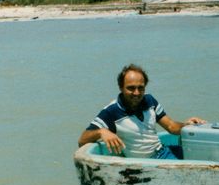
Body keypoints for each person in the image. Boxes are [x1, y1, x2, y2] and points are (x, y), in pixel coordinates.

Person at [78, 64, 206, 159]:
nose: (137, 93)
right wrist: (101, 131)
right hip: (146, 164)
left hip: (163, 152)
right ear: (121, 87)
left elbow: (172, 127)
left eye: (141, 88)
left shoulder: (149, 100)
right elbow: (82, 141)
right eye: (131, 88)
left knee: (204, 153)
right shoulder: (112, 111)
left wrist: (187, 125)